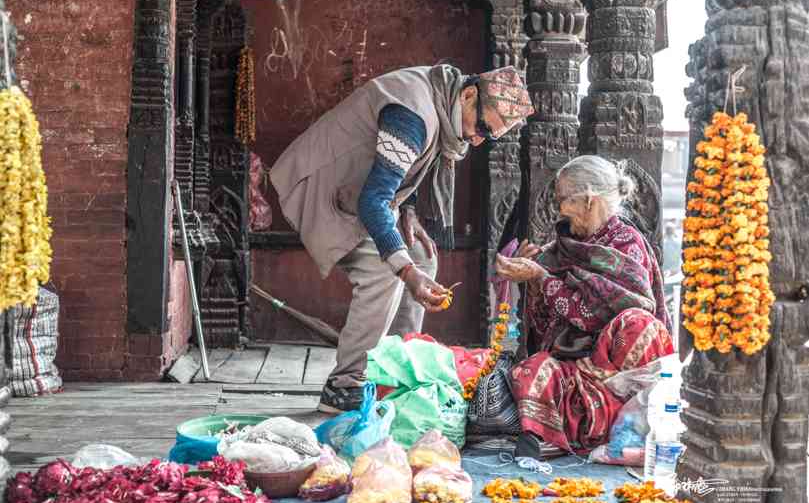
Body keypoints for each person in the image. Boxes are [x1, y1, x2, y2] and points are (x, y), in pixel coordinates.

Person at [271, 64, 534, 413]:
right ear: (469, 95)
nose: (478, 139)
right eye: (483, 126)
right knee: (384, 271)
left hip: (361, 194)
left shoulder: (442, 96)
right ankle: (346, 384)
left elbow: (398, 173)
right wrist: (406, 272)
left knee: (422, 256)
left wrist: (408, 213)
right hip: (320, 187)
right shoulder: (411, 114)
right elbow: (374, 201)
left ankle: (393, 369)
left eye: (491, 136)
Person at [495, 155, 674, 455]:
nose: (560, 211)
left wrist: (542, 276)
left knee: (636, 324)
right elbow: (546, 328)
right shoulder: (564, 248)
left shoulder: (627, 243)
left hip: (617, 373)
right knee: (530, 370)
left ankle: (602, 424)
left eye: (564, 200)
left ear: (589, 200)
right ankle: (567, 429)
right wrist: (533, 280)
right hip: (576, 372)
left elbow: (592, 316)